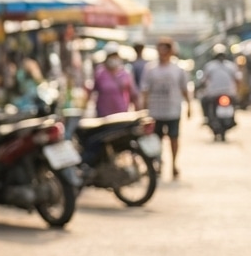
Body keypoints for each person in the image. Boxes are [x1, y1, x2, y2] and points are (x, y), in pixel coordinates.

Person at [141, 38, 191, 180]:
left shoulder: (178, 69)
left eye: (166, 49)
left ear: (171, 51)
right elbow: (145, 90)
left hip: (173, 110)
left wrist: (189, 106)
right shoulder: (150, 69)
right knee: (155, 140)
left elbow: (184, 89)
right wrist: (143, 108)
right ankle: (157, 164)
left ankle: (174, 164)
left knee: (174, 138)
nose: (163, 52)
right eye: (160, 49)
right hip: (155, 111)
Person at [87, 48, 139, 117]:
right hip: (103, 114)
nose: (113, 59)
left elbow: (133, 93)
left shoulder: (125, 73)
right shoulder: (100, 73)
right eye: (111, 56)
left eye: (115, 56)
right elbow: (92, 90)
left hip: (122, 113)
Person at [199, 44, 241, 117]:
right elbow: (238, 80)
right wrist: (237, 92)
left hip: (214, 93)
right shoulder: (231, 66)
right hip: (229, 93)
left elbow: (203, 80)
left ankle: (206, 117)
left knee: (203, 100)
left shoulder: (209, 66)